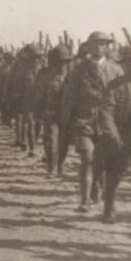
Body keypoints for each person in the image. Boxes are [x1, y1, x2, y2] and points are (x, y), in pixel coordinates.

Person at [60, 31, 123, 213]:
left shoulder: (115, 69)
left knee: (102, 161)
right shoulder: (79, 69)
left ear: (107, 46)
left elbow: (121, 97)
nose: (99, 47)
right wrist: (66, 120)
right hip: (84, 121)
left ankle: (97, 188)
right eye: (96, 44)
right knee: (87, 157)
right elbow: (69, 97)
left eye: (103, 44)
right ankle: (85, 200)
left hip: (107, 123)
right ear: (88, 46)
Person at [99, 45, 131, 232]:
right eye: (128, 63)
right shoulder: (114, 85)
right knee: (115, 175)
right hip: (118, 137)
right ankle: (109, 209)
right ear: (124, 65)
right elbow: (106, 112)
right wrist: (115, 136)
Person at [34, 44, 72, 176]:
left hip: (67, 115)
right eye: (59, 62)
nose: (62, 65)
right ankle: (52, 167)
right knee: (51, 140)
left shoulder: (73, 78)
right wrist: (38, 112)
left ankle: (60, 164)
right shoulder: (47, 78)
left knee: (64, 142)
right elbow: (39, 96)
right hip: (51, 113)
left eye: (65, 62)